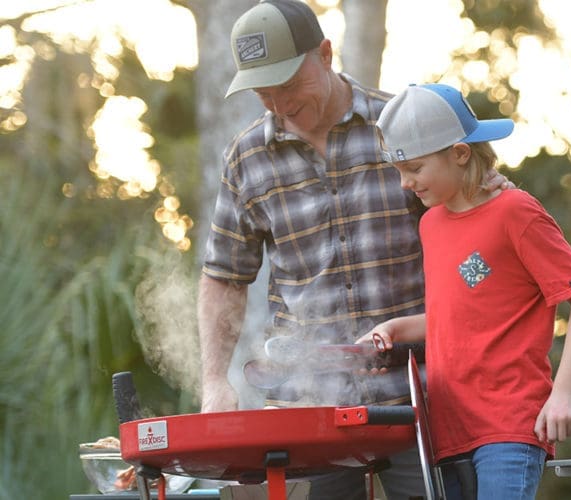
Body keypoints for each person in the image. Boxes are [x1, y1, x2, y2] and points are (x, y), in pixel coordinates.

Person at [197, 1, 507, 498]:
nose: (278, 104)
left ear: (325, 53)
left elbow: (479, 236)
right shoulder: (246, 158)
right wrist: (214, 380)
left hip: (422, 394)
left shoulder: (403, 127)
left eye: (289, 86)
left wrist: (476, 315)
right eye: (263, 93)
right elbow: (224, 277)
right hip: (309, 406)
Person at [353, 83, 571, 500]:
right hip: (448, 431)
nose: (404, 183)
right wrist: (396, 328)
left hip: (509, 425)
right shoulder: (430, 225)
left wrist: (563, 395)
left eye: (413, 167)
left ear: (461, 153)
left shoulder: (515, 211)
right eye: (398, 170)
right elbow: (461, 313)